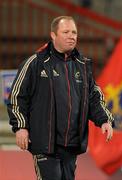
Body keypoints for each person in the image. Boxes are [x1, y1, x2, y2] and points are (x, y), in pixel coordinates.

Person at [7, 16, 114, 180]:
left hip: (71, 144)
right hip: (44, 144)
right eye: (66, 32)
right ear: (53, 35)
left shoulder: (83, 65)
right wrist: (21, 127)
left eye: (74, 32)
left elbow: (93, 97)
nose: (72, 36)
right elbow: (17, 96)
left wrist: (105, 120)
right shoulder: (36, 63)